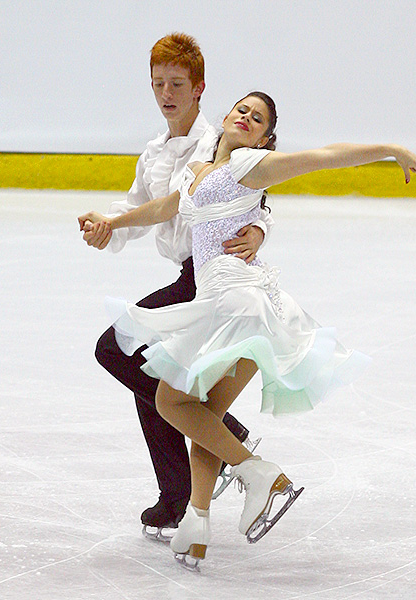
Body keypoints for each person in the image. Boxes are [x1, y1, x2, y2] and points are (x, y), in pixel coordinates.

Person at [80, 91, 416, 568]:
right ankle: (197, 524)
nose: (246, 116)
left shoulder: (248, 166)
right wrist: (114, 221)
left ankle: (257, 471)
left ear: (264, 138)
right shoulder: (198, 173)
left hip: (234, 301)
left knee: (169, 400)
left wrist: (389, 148)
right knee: (205, 415)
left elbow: (322, 159)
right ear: (225, 117)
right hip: (239, 304)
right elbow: (163, 209)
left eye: (258, 118)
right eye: (241, 108)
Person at [78, 33, 273, 538]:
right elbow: (140, 209)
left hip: (208, 278)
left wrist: (260, 230)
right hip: (186, 276)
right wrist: (108, 226)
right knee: (150, 376)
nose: (167, 93)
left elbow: (259, 191)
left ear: (199, 88)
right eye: (158, 83)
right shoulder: (154, 152)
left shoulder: (218, 140)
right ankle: (178, 491)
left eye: (177, 84)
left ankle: (217, 436)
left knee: (117, 350)